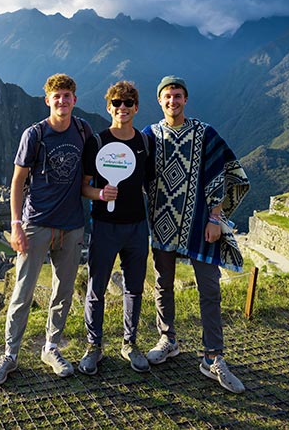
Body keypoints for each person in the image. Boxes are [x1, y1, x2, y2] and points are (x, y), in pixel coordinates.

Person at [143, 75, 250, 394]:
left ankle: (213, 357)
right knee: (163, 284)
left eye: (177, 95)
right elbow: (134, 169)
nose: (172, 101)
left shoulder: (205, 133)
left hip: (201, 223)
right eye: (167, 96)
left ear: (185, 99)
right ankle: (168, 339)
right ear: (159, 101)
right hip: (162, 222)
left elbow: (224, 171)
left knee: (209, 288)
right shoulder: (151, 134)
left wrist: (217, 216)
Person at [0, 73, 92, 385]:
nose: (62, 101)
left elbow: (87, 179)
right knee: (23, 291)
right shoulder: (35, 135)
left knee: (63, 291)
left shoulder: (82, 132)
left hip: (71, 226)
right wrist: (16, 225)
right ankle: (10, 354)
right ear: (47, 100)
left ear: (74, 99)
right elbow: (18, 182)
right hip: (36, 224)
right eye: (56, 96)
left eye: (67, 95)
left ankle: (51, 347)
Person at [78, 81, 151, 375]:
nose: (123, 108)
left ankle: (129, 343)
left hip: (137, 226)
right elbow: (84, 187)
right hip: (105, 226)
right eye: (117, 103)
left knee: (134, 289)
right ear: (108, 107)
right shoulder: (96, 143)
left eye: (128, 103)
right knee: (96, 288)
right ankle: (93, 347)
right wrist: (99, 194)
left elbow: (151, 183)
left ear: (136, 108)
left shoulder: (145, 144)